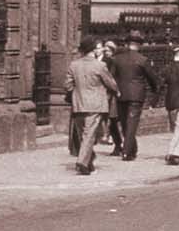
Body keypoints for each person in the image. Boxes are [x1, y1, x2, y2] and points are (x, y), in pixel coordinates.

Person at [65, 38, 117, 175]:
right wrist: (116, 91)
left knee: (84, 135)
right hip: (95, 105)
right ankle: (82, 162)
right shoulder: (99, 66)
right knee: (89, 135)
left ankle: (89, 162)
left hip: (78, 105)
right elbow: (110, 82)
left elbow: (68, 85)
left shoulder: (73, 65)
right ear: (93, 50)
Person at [106, 38, 162, 161]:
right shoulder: (142, 60)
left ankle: (132, 149)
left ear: (127, 45)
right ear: (139, 45)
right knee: (132, 123)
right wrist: (154, 93)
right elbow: (152, 79)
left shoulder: (117, 59)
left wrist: (116, 91)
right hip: (136, 95)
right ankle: (127, 151)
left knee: (125, 123)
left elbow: (111, 78)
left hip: (121, 95)